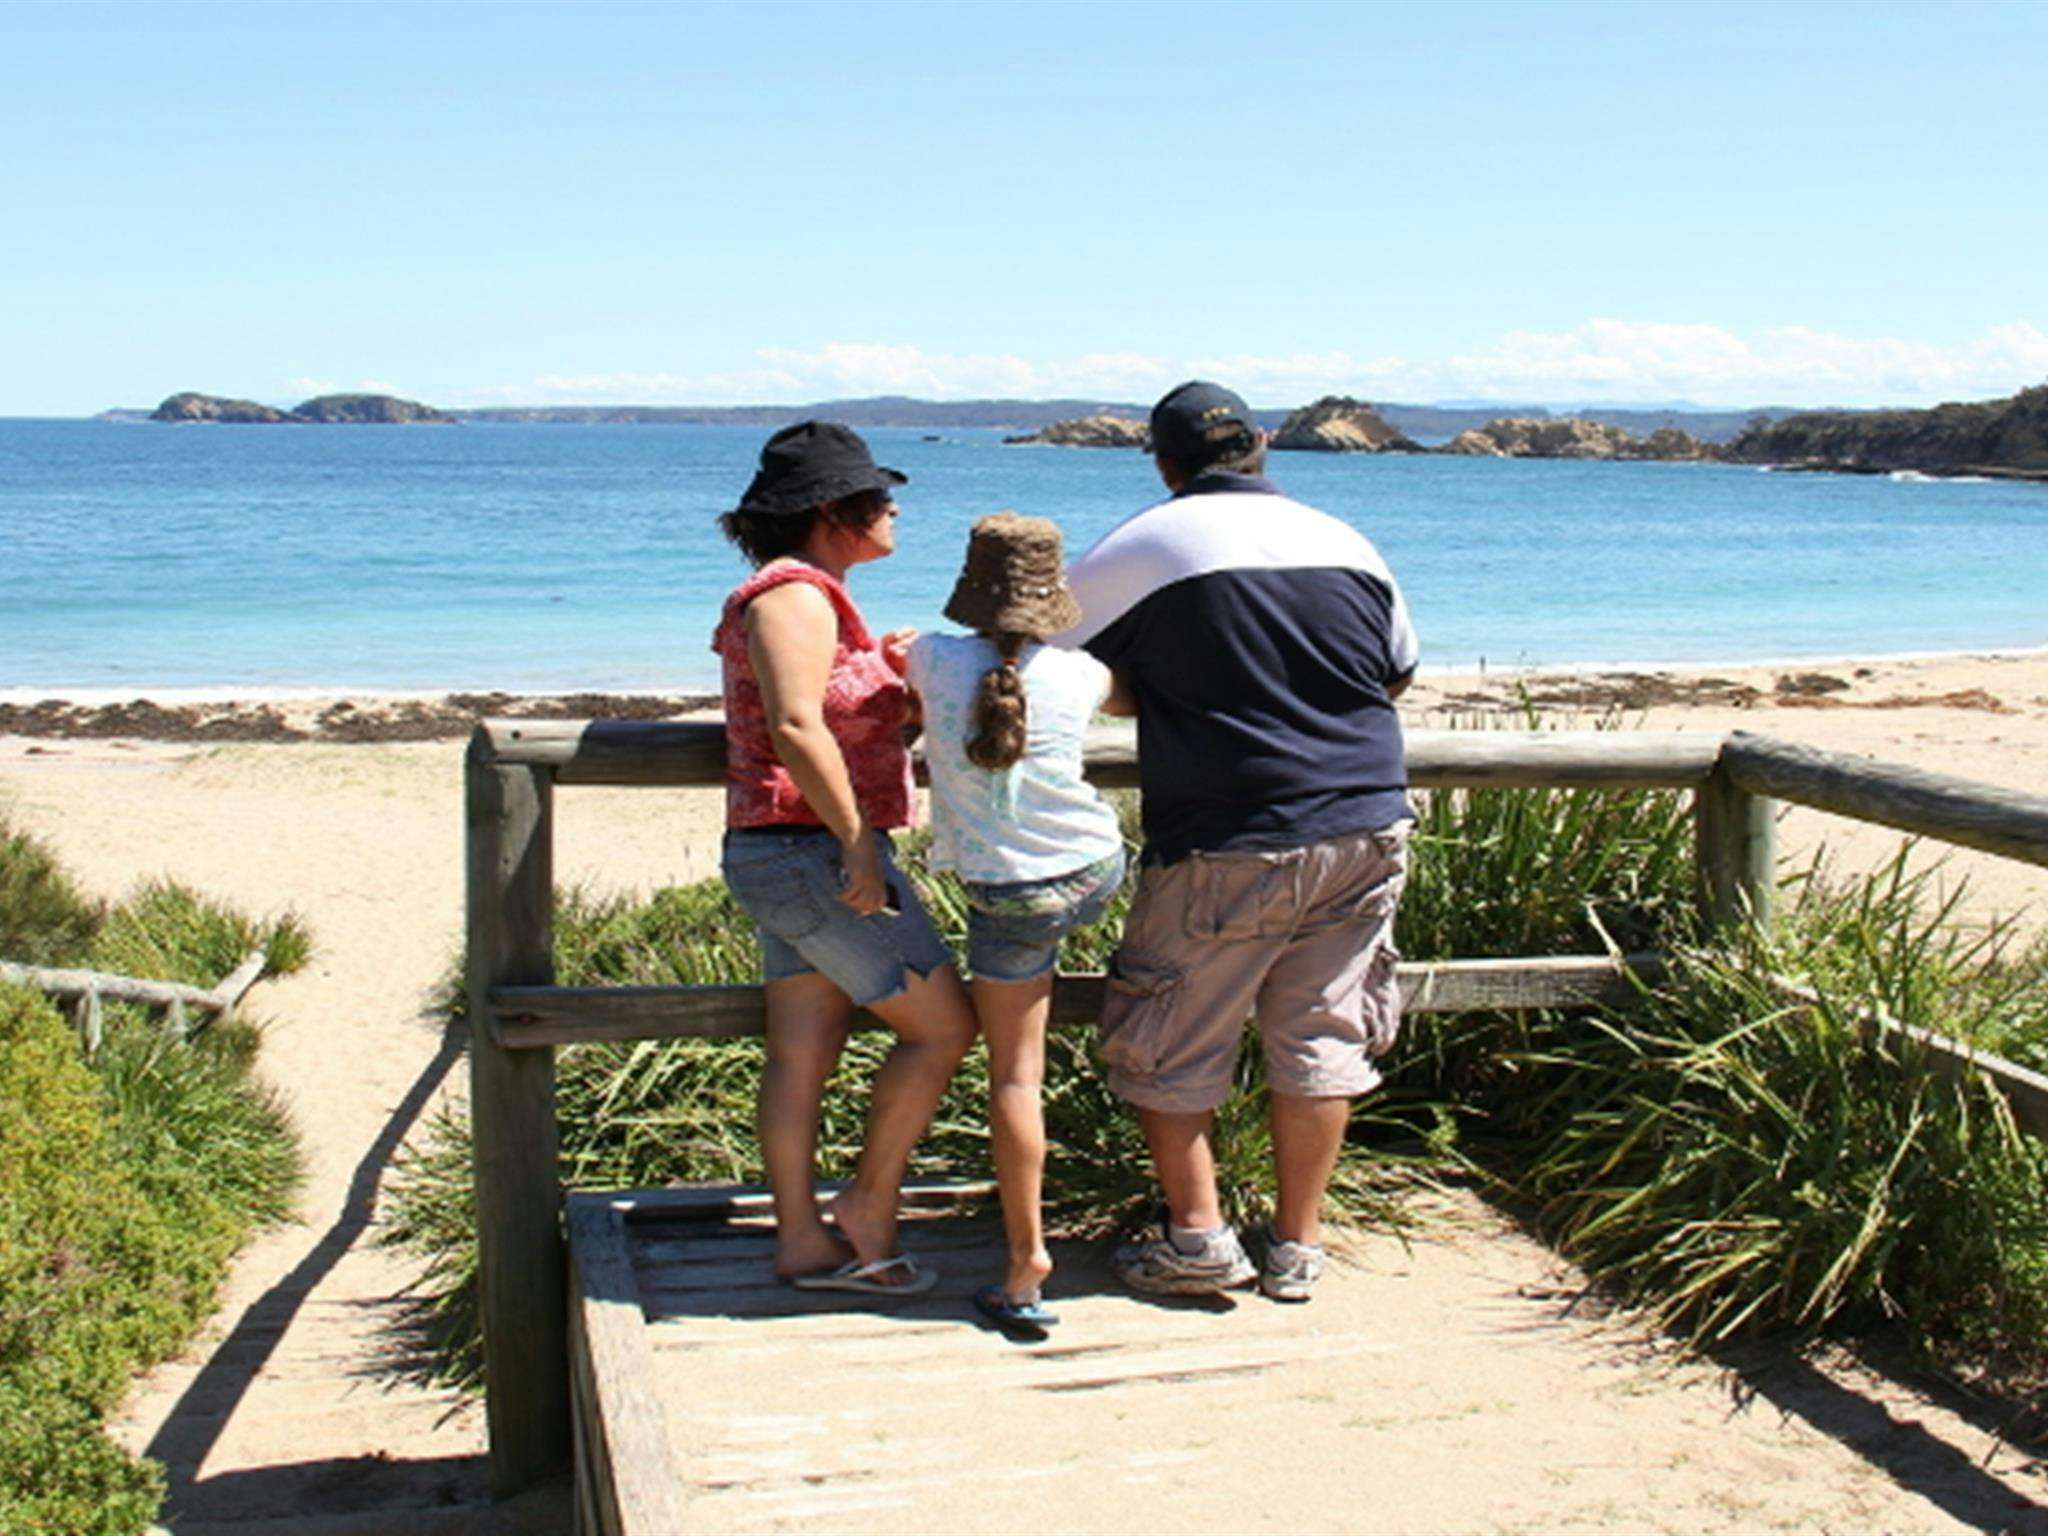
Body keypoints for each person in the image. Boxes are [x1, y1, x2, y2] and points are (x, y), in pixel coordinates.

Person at [1057, 381, 1419, 1303]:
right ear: (1260, 445)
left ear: (1165, 463)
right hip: (1368, 819)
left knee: (1168, 1035)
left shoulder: (1144, 545)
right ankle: (1297, 1246)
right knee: (1324, 1034)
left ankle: (1198, 1235)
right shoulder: (1349, 543)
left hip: (1232, 831)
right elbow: (1395, 674)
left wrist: (1145, 689)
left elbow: (1044, 661)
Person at [711, 421, 976, 1295]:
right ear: (833, 510)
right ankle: (867, 1206)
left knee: (802, 1051)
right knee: (944, 1028)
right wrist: (860, 845)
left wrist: (895, 683)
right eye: (878, 496)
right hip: (811, 852)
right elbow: (793, 726)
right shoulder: (793, 597)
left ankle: (802, 1241)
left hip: (785, 851)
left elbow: (832, 717)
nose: (893, 508)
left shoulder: (814, 597)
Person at [901, 513, 1128, 1330]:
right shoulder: (1086, 674)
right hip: (1094, 868)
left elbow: (900, 668)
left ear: (971, 589)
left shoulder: (929, 656)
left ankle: (1027, 1260)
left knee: (1013, 1076)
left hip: (1013, 893)